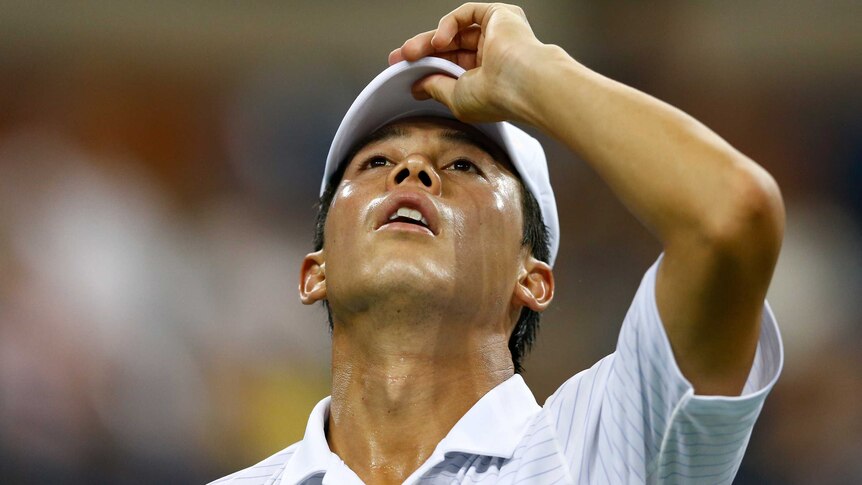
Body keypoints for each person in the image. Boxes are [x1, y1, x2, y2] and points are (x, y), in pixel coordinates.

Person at [212, 3, 784, 484]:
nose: (412, 171)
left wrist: (532, 72)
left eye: (463, 165)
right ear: (316, 271)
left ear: (531, 278)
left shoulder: (605, 446)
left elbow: (731, 214)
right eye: (377, 161)